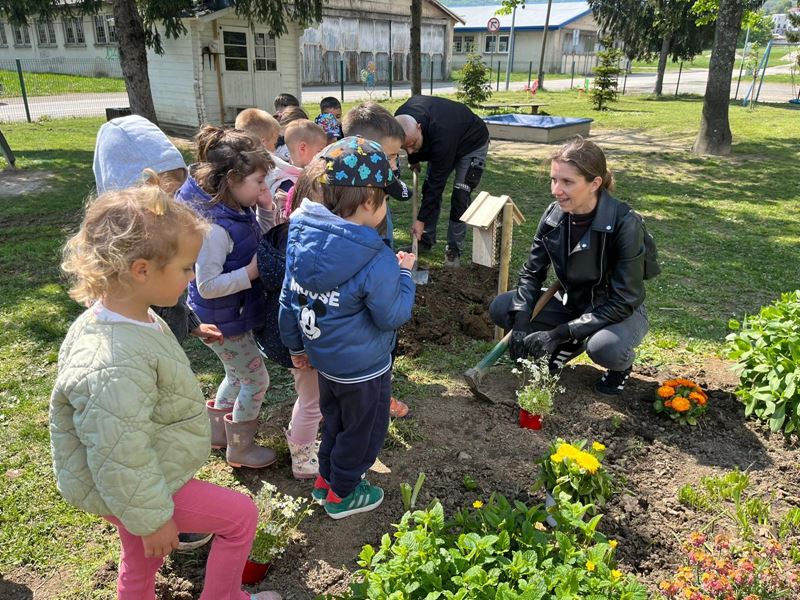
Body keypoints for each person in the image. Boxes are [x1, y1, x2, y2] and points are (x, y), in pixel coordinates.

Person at [52, 185, 280, 600]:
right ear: (141, 270)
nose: (192, 277)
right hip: (135, 483)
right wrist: (154, 518)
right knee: (240, 516)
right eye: (185, 268)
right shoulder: (113, 359)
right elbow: (118, 450)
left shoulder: (129, 316)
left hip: (134, 481)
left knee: (141, 557)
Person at [278, 137, 416, 519]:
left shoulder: (300, 237)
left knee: (336, 421)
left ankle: (326, 479)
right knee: (364, 430)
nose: (385, 208)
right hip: (365, 368)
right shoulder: (376, 256)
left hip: (325, 361)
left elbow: (288, 300)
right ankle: (344, 492)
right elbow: (392, 315)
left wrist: (295, 347)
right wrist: (405, 275)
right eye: (385, 199)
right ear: (370, 202)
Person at [489, 137, 654, 396]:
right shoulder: (554, 215)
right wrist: (521, 322)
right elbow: (532, 272)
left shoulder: (624, 223)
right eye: (554, 179)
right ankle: (568, 342)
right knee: (503, 307)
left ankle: (618, 366)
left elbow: (625, 300)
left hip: (619, 310)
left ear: (595, 183)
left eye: (567, 182)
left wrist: (557, 333)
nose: (556, 190)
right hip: (573, 303)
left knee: (605, 348)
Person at [175, 126, 277, 468]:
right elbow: (207, 285)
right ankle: (241, 449)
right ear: (233, 179)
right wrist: (249, 274)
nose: (263, 188)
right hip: (222, 321)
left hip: (228, 315)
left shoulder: (234, 207)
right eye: (259, 182)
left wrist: (265, 208)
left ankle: (218, 434)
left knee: (236, 375)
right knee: (255, 379)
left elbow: (258, 238)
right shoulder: (215, 229)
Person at [92, 114, 223, 348]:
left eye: (174, 197)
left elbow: (169, 297)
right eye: (165, 198)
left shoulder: (160, 233)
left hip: (166, 347)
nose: (173, 207)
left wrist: (191, 323)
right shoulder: (117, 255)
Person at [342, 101, 412, 418]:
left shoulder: (377, 182)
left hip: (380, 274)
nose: (395, 165)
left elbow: (403, 193)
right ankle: (369, 404)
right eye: (391, 156)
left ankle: (380, 394)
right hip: (361, 296)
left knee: (384, 344)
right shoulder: (348, 196)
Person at [395, 96, 489, 267]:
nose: (408, 150)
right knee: (428, 187)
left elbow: (436, 185)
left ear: (420, 127)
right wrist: (413, 156)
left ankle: (454, 250)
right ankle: (425, 240)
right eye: (404, 147)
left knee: (460, 195)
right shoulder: (399, 120)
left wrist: (420, 220)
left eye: (412, 145)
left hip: (471, 143)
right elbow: (411, 143)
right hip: (444, 141)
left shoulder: (442, 133)